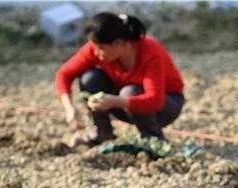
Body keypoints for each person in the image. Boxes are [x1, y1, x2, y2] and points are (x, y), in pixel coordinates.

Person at [55, 12, 185, 147]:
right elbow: (64, 74)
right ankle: (102, 134)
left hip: (165, 105)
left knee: (130, 91)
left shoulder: (150, 52)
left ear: (119, 43)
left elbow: (155, 101)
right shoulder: (97, 48)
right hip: (123, 102)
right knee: (90, 79)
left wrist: (114, 101)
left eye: (101, 49)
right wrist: (70, 108)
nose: (96, 53)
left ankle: (153, 142)